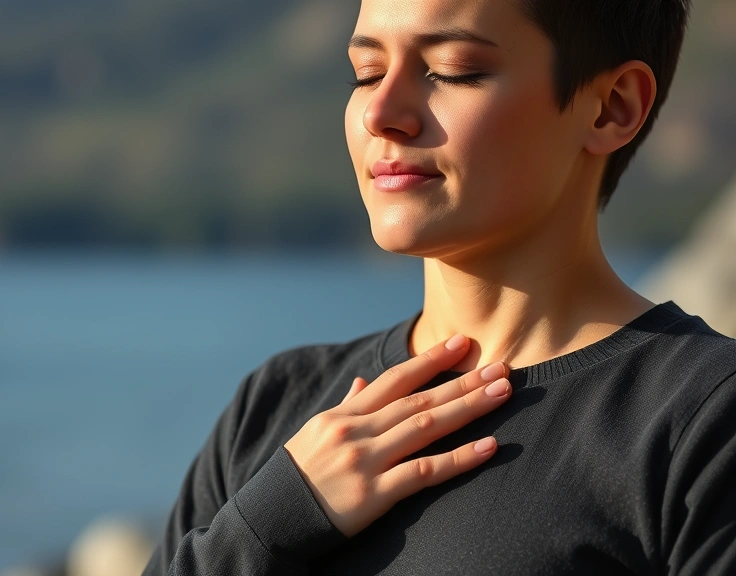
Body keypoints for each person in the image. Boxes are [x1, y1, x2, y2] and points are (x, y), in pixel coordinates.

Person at [143, 0, 736, 574]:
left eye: (453, 70)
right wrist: (273, 522)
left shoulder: (703, 421)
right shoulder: (274, 408)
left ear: (611, 107)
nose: (381, 112)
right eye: (367, 73)